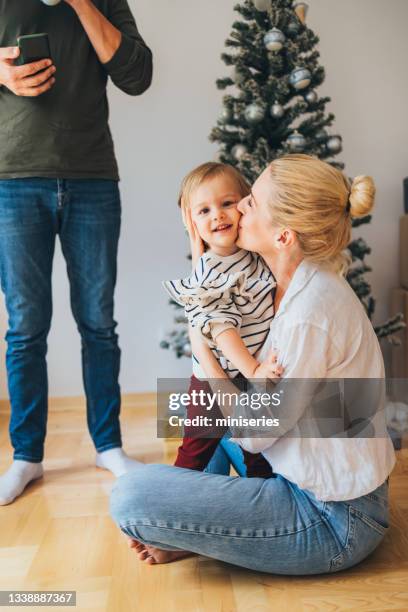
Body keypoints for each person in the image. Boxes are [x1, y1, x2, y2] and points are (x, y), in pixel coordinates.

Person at [110, 154, 396, 573]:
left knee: (130, 495)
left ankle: (200, 530)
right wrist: (202, 263)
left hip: (333, 519)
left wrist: (202, 346)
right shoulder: (276, 279)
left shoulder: (310, 313)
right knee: (195, 416)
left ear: (283, 236)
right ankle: (201, 531)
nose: (239, 206)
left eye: (251, 203)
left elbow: (254, 433)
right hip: (299, 472)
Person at [0, 0, 153, 505]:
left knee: (98, 323)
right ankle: (27, 457)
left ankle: (108, 446)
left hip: (93, 178)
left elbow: (137, 75)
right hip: (12, 181)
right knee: (25, 327)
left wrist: (83, 3)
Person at [163, 162, 280, 479]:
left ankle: (264, 502)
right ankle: (161, 510)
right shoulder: (211, 270)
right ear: (190, 223)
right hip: (214, 379)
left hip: (247, 373)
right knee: (194, 452)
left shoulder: (252, 253)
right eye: (204, 210)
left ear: (245, 204)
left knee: (257, 453)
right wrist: (254, 370)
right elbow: (222, 328)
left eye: (227, 203)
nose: (217, 215)